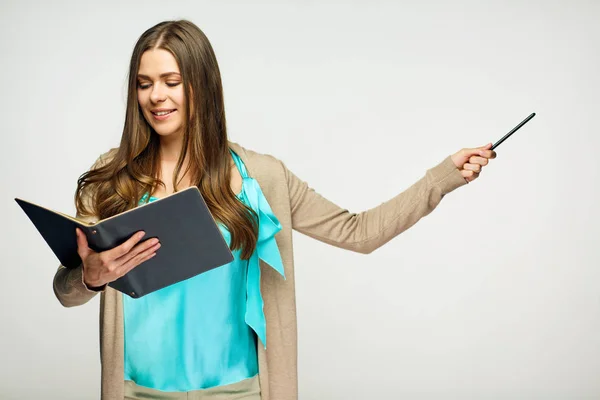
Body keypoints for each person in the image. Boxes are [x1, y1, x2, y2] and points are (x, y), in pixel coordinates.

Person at [53, 19, 496, 400]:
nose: (156, 97)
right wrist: (91, 277)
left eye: (171, 81)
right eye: (145, 83)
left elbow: (358, 232)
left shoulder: (259, 177)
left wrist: (441, 178)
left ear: (200, 86)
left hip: (241, 390)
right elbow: (66, 289)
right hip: (135, 390)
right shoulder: (112, 177)